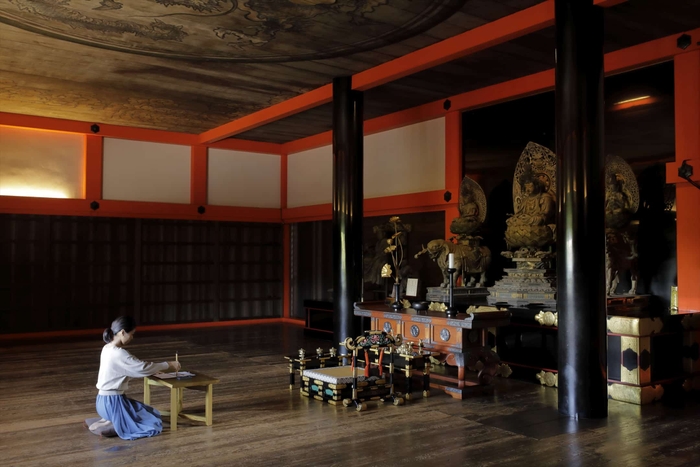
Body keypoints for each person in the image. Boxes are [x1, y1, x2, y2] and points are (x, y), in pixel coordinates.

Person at [90, 316, 180, 440]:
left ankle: (111, 421)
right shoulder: (119, 353)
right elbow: (142, 367)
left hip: (101, 402)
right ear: (122, 332)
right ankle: (116, 426)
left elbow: (125, 371)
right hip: (113, 403)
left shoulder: (106, 348)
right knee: (151, 422)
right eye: (131, 334)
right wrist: (168, 364)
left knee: (147, 412)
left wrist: (151, 371)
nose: (132, 337)